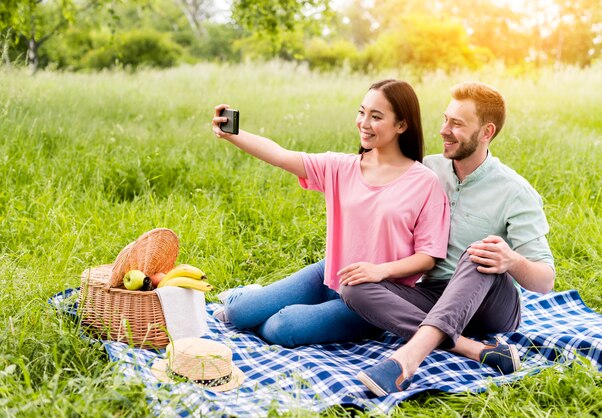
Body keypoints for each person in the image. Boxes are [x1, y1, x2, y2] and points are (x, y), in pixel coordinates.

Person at [342, 81, 556, 396]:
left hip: (488, 305)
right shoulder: (426, 170)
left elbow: (545, 280)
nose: (444, 130)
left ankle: (406, 361)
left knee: (480, 251)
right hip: (431, 296)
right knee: (353, 285)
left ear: (486, 132)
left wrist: (511, 259)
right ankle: (473, 349)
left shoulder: (515, 192)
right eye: (445, 119)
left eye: (456, 124)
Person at [210, 79, 450, 348]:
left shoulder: (425, 182)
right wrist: (234, 134)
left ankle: (276, 312)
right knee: (237, 313)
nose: (364, 123)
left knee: (282, 327)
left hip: (373, 297)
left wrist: (379, 271)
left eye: (376, 116)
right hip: (330, 274)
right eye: (362, 112)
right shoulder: (341, 167)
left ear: (401, 125)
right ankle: (250, 300)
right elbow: (280, 155)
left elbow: (428, 257)